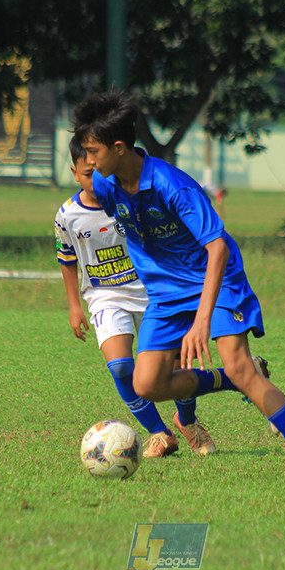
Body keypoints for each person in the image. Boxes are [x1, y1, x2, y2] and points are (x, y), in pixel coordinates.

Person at [72, 90, 285, 488]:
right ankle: (236, 379)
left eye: (93, 151)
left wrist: (202, 320)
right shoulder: (107, 184)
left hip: (215, 281)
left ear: (119, 147)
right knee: (147, 384)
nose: (88, 161)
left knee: (237, 363)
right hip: (167, 294)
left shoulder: (171, 185)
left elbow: (216, 247)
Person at [55, 136, 215, 458]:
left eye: (99, 171)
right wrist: (74, 306)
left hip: (149, 290)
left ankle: (187, 420)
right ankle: (159, 432)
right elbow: (67, 258)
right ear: (75, 173)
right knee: (120, 367)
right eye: (88, 174)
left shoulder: (126, 199)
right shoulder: (67, 216)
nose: (96, 179)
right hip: (105, 295)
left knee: (173, 363)